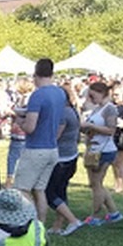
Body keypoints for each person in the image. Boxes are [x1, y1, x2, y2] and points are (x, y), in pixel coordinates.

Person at [15, 58, 63, 225]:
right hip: (52, 148)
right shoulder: (60, 93)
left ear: (36, 74)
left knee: (23, 189)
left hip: (35, 149)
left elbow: (30, 127)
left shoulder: (38, 95)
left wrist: (18, 120)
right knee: (39, 189)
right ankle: (40, 225)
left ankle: (28, 223)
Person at [44, 85, 85, 236]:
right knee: (61, 191)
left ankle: (73, 220)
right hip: (71, 156)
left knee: (49, 193)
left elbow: (55, 137)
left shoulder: (62, 114)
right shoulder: (73, 111)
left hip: (60, 159)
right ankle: (57, 225)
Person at [80, 82, 122, 225]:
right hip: (94, 148)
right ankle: (113, 212)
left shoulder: (109, 109)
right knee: (95, 184)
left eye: (93, 95)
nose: (91, 97)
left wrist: (91, 126)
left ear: (102, 93)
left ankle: (96, 216)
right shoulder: (97, 108)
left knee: (97, 184)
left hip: (104, 150)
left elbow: (111, 130)